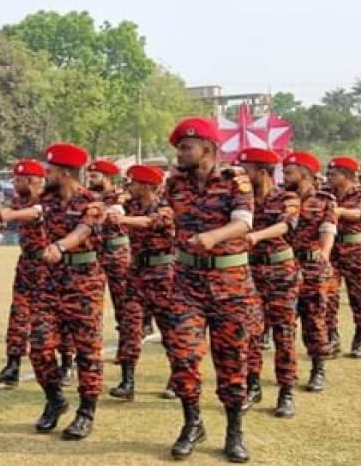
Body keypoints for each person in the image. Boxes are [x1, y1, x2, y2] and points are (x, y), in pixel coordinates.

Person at [163, 117, 259, 462]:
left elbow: (243, 222)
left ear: (208, 149)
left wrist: (213, 237)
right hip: (186, 285)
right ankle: (192, 423)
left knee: (232, 362)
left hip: (230, 286)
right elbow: (164, 217)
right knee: (183, 356)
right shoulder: (174, 184)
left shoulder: (236, 181)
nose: (180, 153)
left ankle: (234, 431)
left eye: (186, 147)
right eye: (179, 148)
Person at [25, 143, 106, 441]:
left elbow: (83, 230)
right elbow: (31, 215)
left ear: (64, 172)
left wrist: (60, 245)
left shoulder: (92, 203)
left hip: (84, 283)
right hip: (50, 282)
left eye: (50, 170)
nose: (46, 174)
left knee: (87, 351)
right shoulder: (45, 200)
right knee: (40, 347)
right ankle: (55, 399)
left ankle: (86, 411)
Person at [0, 159, 74, 388]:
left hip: (49, 265)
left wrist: (10, 215)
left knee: (59, 317)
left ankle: (66, 363)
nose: (14, 183)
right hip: (27, 263)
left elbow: (37, 212)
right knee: (18, 313)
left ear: (32, 180)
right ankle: (13, 364)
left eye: (18, 179)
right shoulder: (19, 200)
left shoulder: (48, 197)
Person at [236, 148, 302, 418]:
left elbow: (288, 224)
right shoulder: (243, 199)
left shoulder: (287, 197)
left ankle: (286, 391)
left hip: (280, 272)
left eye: (246, 170)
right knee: (250, 332)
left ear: (262, 172)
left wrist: (257, 236)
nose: (242, 175)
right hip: (250, 271)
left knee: (283, 333)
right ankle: (252, 385)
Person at [108, 164, 178, 401]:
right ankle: (127, 382)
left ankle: (176, 378)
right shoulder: (131, 205)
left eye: (135, 183)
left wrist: (122, 219)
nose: (130, 186)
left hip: (163, 273)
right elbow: (114, 208)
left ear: (148, 186)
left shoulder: (166, 208)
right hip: (136, 271)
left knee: (170, 329)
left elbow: (151, 222)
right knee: (130, 326)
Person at [282, 151, 337, 393]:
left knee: (314, 319)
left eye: (289, 172)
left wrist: (323, 255)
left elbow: (328, 232)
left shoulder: (325, 201)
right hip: (282, 268)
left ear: (305, 173)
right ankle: (287, 374)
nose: (284, 176)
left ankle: (318, 369)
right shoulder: (280, 198)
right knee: (284, 324)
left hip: (312, 267)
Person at [325, 156, 361, 358]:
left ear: (346, 176)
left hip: (356, 250)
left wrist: (339, 211)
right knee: (327, 295)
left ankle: (359, 339)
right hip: (332, 249)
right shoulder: (326, 194)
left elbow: (359, 213)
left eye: (333, 174)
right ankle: (332, 337)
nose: (329, 177)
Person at [86, 159, 132, 366]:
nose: (91, 180)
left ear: (106, 177)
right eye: (90, 176)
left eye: (95, 176)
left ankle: (125, 351)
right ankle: (88, 351)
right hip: (94, 254)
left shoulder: (119, 195)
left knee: (122, 305)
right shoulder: (86, 196)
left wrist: (97, 208)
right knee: (89, 307)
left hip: (117, 254)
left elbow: (115, 211)